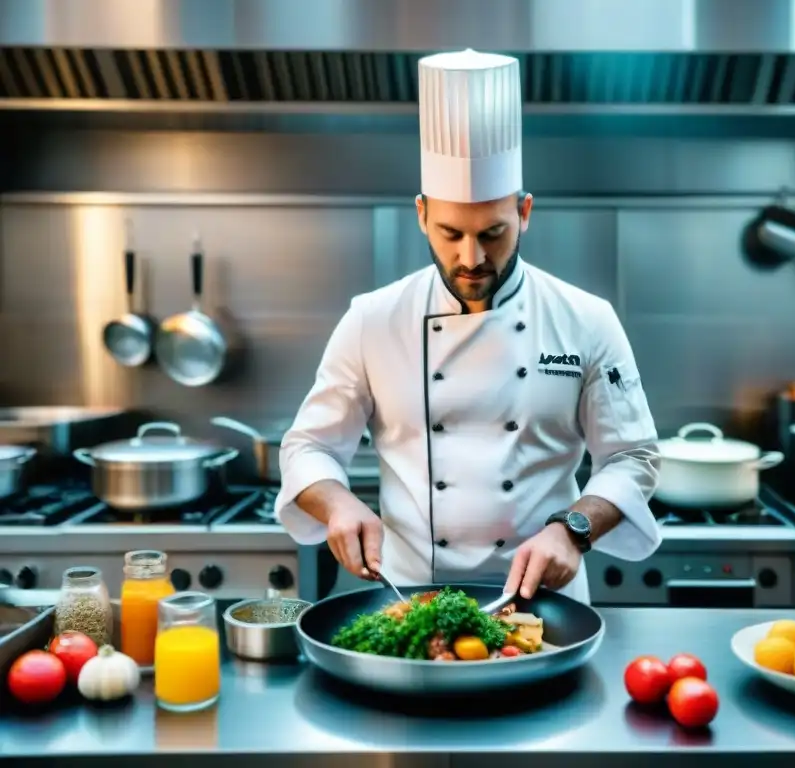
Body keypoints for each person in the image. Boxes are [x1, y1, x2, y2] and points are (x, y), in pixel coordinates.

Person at [275, 49, 661, 604]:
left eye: (494, 232)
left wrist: (573, 529)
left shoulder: (585, 319)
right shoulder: (373, 320)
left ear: (525, 212)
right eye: (451, 233)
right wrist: (336, 503)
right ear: (421, 215)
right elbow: (307, 446)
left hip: (545, 606)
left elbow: (633, 457)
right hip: (407, 601)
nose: (472, 257)